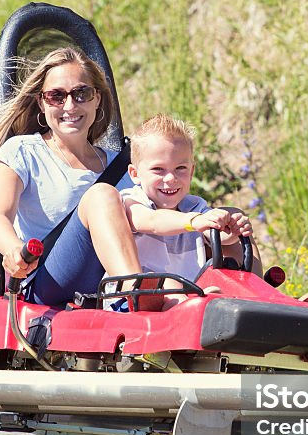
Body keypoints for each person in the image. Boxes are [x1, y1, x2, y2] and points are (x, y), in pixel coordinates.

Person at [0, 47, 147, 306]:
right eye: (56, 96)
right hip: (49, 281)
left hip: (126, 270)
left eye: (81, 93)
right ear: (42, 102)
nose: (70, 105)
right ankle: (138, 296)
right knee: (102, 196)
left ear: (97, 99)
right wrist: (14, 249)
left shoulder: (124, 163)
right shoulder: (21, 152)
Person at [105, 114, 264, 309]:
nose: (170, 178)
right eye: (158, 169)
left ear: (192, 171)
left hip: (188, 292)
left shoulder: (194, 205)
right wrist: (194, 221)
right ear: (135, 175)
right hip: (131, 299)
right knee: (166, 282)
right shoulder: (132, 200)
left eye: (180, 168)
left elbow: (213, 235)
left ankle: (260, 299)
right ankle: (196, 305)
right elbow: (152, 221)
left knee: (215, 274)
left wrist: (230, 231)